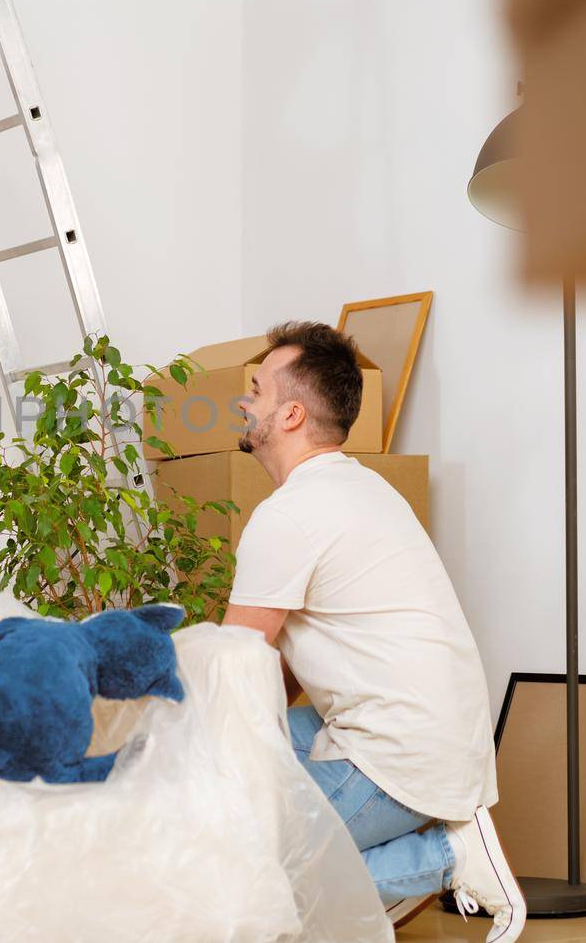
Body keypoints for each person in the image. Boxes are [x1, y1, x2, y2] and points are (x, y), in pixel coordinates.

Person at [221, 321, 526, 942]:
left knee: (234, 855)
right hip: (431, 736)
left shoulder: (289, 518)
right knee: (248, 770)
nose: (243, 402)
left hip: (400, 756)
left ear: (290, 415)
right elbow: (270, 672)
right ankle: (370, 896)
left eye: (256, 390)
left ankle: (446, 854)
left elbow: (229, 669)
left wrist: (194, 772)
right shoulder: (362, 488)